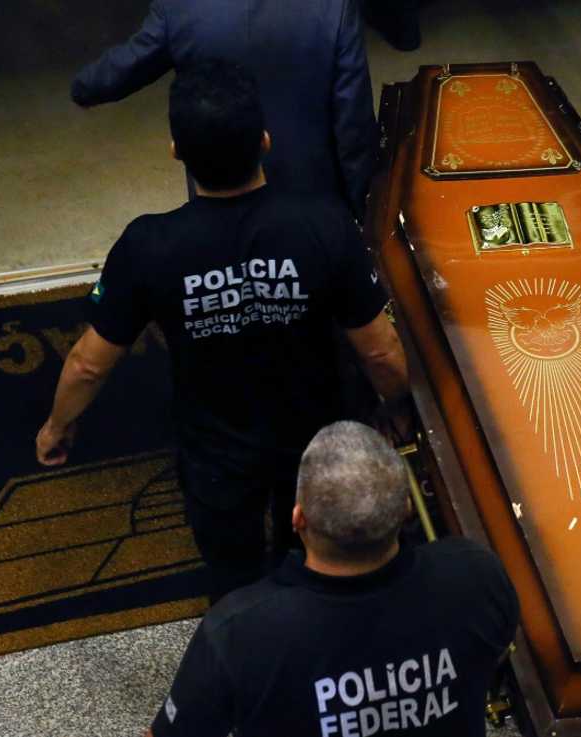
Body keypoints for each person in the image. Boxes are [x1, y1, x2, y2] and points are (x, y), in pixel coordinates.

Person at [36, 62, 409, 603]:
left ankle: (241, 625)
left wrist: (57, 426)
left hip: (215, 455)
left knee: (230, 570)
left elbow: (87, 364)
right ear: (264, 141)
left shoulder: (148, 245)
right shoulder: (324, 225)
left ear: (175, 151)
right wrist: (397, 404)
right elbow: (380, 350)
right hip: (309, 441)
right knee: (308, 558)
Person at [148, 421, 520, 737]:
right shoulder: (476, 575)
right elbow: (494, 654)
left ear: (298, 519)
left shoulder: (236, 632)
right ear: (406, 508)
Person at [70, 0, 377, 216]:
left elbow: (130, 64)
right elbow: (354, 122)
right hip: (313, 195)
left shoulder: (181, 7)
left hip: (219, 195)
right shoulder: (334, 6)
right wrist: (361, 207)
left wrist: (83, 87)